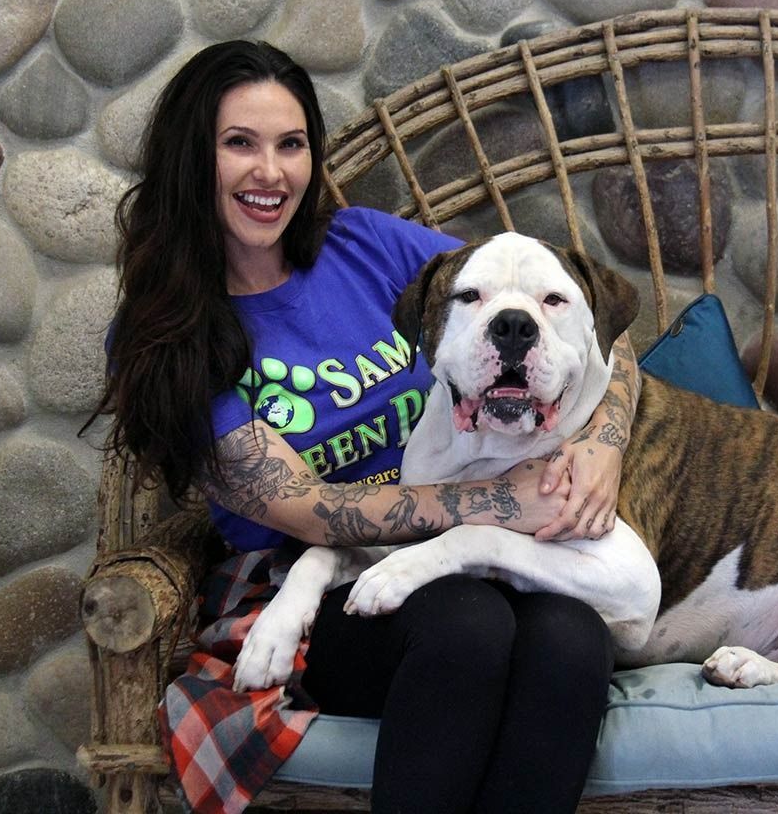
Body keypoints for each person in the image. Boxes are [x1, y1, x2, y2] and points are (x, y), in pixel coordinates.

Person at [95, 40, 642, 814]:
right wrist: (496, 505)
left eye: (292, 145)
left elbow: (576, 318)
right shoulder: (167, 337)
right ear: (192, 159)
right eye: (239, 145)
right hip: (313, 580)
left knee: (573, 642)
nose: (271, 172)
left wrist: (603, 443)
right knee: (468, 626)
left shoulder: (368, 246)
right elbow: (307, 508)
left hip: (475, 554)